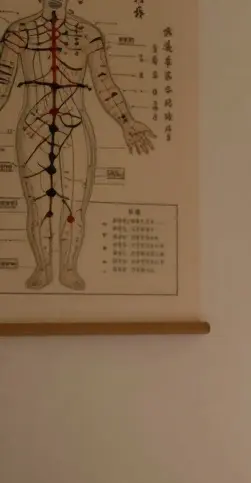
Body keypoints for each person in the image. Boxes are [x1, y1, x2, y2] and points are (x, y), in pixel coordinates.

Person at [0, 0, 156, 291]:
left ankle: (68, 267)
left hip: (75, 128)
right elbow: (2, 81)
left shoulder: (87, 33)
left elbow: (104, 83)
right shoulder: (19, 31)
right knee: (36, 206)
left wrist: (126, 121)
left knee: (75, 205)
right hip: (33, 128)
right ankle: (43, 267)